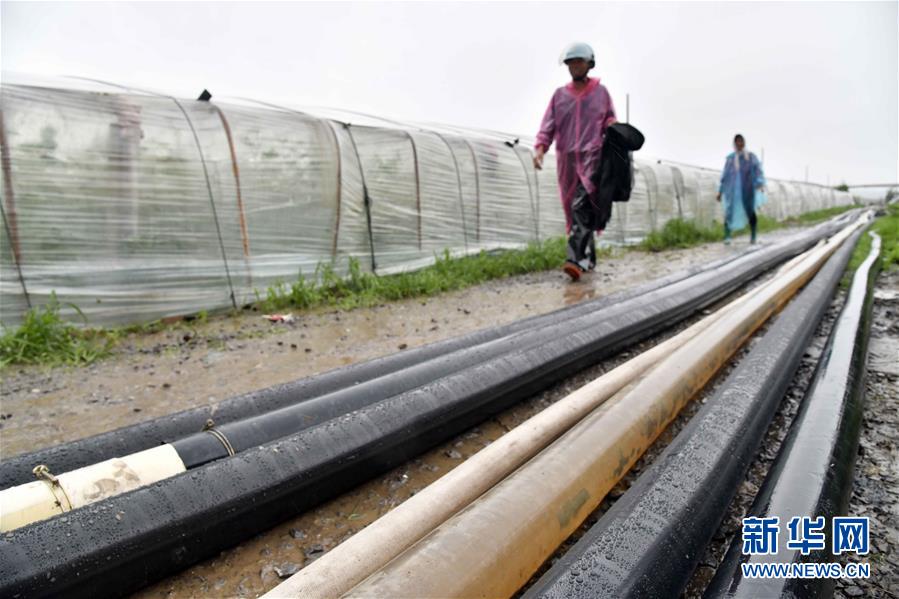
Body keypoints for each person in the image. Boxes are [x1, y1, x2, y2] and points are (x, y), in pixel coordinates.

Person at [534, 42, 617, 281]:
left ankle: (574, 258)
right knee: (576, 209)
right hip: (567, 161)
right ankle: (589, 257)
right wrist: (540, 148)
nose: (574, 66)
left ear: (589, 64)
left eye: (579, 62)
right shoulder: (560, 96)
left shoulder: (601, 93)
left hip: (593, 158)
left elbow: (610, 120)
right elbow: (548, 125)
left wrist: (614, 133)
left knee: (582, 205)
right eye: (571, 63)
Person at [716, 134, 766, 245]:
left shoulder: (750, 157)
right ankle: (727, 236)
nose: (739, 144)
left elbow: (758, 170)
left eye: (741, 141)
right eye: (737, 141)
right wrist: (720, 191)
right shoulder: (730, 159)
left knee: (750, 211)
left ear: (744, 143)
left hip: (747, 189)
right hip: (732, 190)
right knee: (729, 211)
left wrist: (760, 183)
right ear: (734, 144)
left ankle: (753, 235)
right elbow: (724, 176)